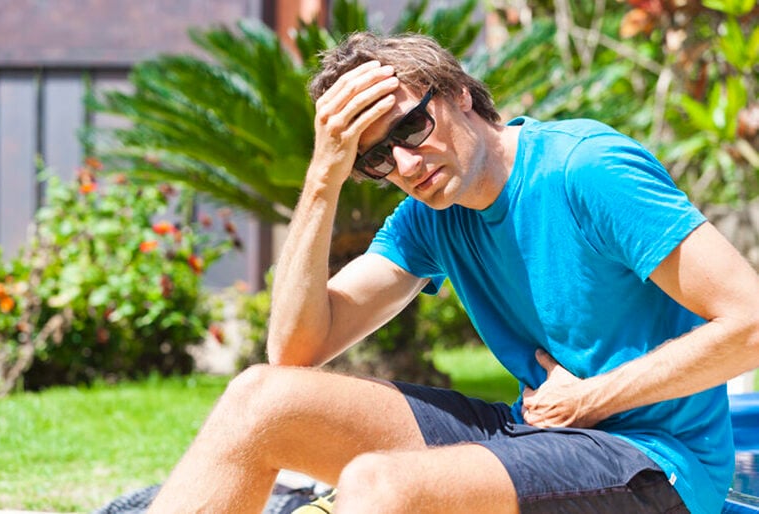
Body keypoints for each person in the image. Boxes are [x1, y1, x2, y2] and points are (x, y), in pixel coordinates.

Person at [147, 32, 759, 514]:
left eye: (412, 127)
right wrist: (323, 176)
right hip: (539, 430)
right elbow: (295, 350)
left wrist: (590, 398)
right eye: (377, 157)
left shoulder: (585, 170)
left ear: (461, 93)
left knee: (379, 487)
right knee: (259, 399)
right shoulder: (429, 218)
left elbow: (751, 322)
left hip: (659, 461)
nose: (406, 163)